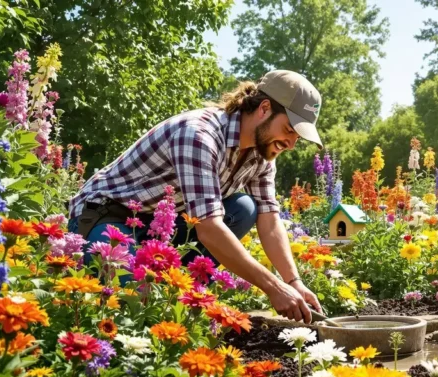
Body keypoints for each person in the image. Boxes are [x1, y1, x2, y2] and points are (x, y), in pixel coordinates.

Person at [67, 70, 323, 324]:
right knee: (132, 305)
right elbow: (209, 228)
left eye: (297, 137)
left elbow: (270, 220)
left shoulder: (261, 153)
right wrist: (274, 287)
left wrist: (294, 282)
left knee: (243, 208)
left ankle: (181, 296)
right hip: (107, 218)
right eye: (288, 130)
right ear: (264, 109)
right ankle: (159, 300)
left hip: (162, 228)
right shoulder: (199, 135)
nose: (291, 144)